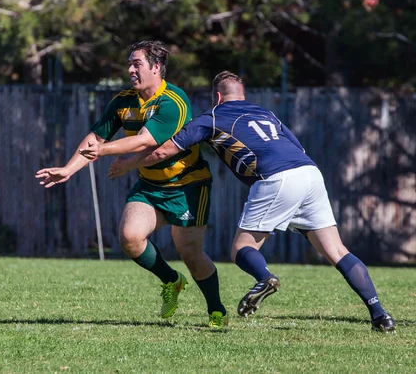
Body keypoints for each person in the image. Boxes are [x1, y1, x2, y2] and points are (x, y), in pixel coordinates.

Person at [104, 70, 396, 333]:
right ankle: (380, 314)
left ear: (217, 96)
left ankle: (264, 278)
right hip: (309, 173)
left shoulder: (213, 117)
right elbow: (296, 146)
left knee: (241, 249)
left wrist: (127, 164)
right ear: (242, 95)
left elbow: (164, 150)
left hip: (274, 178)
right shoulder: (267, 114)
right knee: (336, 250)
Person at [36, 41, 228, 328]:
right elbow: (95, 139)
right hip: (150, 186)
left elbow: (145, 141)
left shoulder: (172, 101)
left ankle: (216, 310)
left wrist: (104, 152)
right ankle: (171, 281)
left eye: (136, 63)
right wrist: (69, 169)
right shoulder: (123, 101)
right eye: (129, 63)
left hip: (188, 186)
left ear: (157, 68)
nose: (130, 69)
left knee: (190, 253)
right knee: (130, 237)